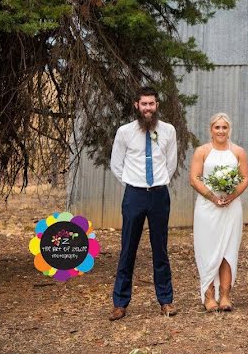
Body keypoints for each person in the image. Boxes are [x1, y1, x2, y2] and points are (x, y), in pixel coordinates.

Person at [108, 86, 178, 321]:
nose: (148, 108)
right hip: (134, 195)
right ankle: (120, 303)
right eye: (144, 104)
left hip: (159, 194)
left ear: (157, 105)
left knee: (161, 249)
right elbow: (116, 165)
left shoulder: (168, 131)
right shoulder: (125, 132)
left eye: (152, 103)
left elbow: (171, 163)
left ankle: (166, 301)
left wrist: (157, 183)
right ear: (136, 105)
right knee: (128, 248)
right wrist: (134, 183)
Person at [189, 113, 248, 312]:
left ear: (229, 130)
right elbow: (195, 178)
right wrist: (212, 197)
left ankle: (225, 295)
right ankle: (208, 295)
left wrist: (230, 197)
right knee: (207, 249)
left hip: (231, 207)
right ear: (211, 130)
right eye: (217, 127)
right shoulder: (202, 151)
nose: (221, 131)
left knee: (228, 249)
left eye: (224, 127)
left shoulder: (238, 152)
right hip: (207, 208)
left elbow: (244, 178)